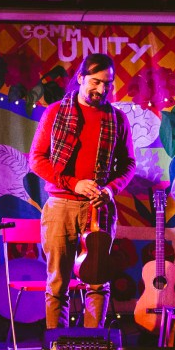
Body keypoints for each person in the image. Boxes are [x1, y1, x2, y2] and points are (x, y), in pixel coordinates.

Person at [28, 53, 136, 330]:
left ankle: (93, 347)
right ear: (80, 78)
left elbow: (129, 165)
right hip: (61, 206)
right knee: (57, 284)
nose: (102, 89)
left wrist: (110, 189)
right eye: (96, 82)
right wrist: (73, 183)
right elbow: (36, 160)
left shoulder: (117, 118)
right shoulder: (55, 112)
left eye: (107, 83)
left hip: (99, 209)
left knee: (98, 283)